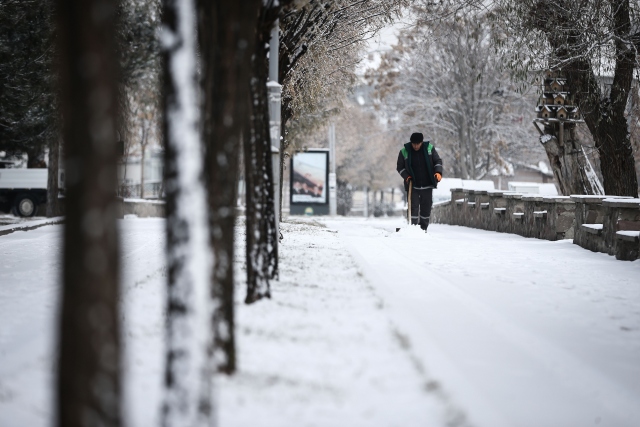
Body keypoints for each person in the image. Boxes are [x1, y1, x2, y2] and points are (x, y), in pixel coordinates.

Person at [396, 132, 443, 231]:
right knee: (413, 208)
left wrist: (438, 172)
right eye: (414, 144)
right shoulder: (404, 151)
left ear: (422, 142)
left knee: (426, 208)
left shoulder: (429, 148)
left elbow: (437, 161)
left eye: (418, 144)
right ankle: (413, 228)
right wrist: (407, 177)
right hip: (413, 185)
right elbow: (400, 167)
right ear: (411, 143)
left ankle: (423, 229)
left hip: (427, 184)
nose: (416, 146)